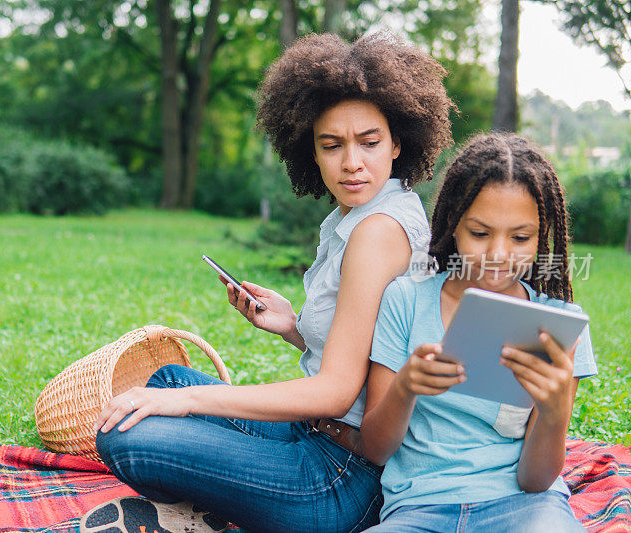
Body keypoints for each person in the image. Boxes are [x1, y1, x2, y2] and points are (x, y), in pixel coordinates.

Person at [85, 32, 454, 533]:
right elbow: (369, 350)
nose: (352, 162)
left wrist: (189, 403)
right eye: (332, 145)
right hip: (317, 435)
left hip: (342, 478)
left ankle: (201, 511)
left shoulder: (377, 232)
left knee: (129, 434)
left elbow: (336, 393)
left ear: (398, 143)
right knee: (165, 383)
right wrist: (292, 327)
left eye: (369, 142)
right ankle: (214, 500)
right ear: (311, 152)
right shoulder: (367, 213)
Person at [359, 133, 598, 533]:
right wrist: (405, 389)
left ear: (542, 237)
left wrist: (555, 414)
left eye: (520, 238)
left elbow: (534, 480)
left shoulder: (559, 325)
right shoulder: (406, 299)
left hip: (525, 508)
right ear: (453, 225)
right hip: (420, 509)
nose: (499, 254)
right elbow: (376, 449)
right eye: (480, 233)